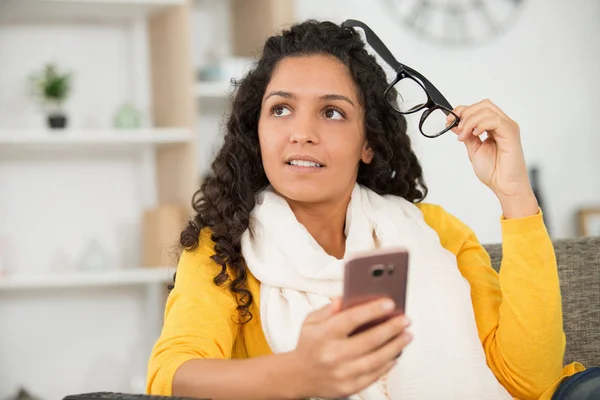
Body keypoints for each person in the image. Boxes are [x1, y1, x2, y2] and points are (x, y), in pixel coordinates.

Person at [147, 20, 597, 400]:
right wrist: (299, 373)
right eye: (281, 109)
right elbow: (171, 377)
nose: (301, 133)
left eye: (333, 113)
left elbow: (528, 380)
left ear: (368, 142)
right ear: (257, 131)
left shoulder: (437, 233)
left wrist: (515, 195)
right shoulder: (221, 249)